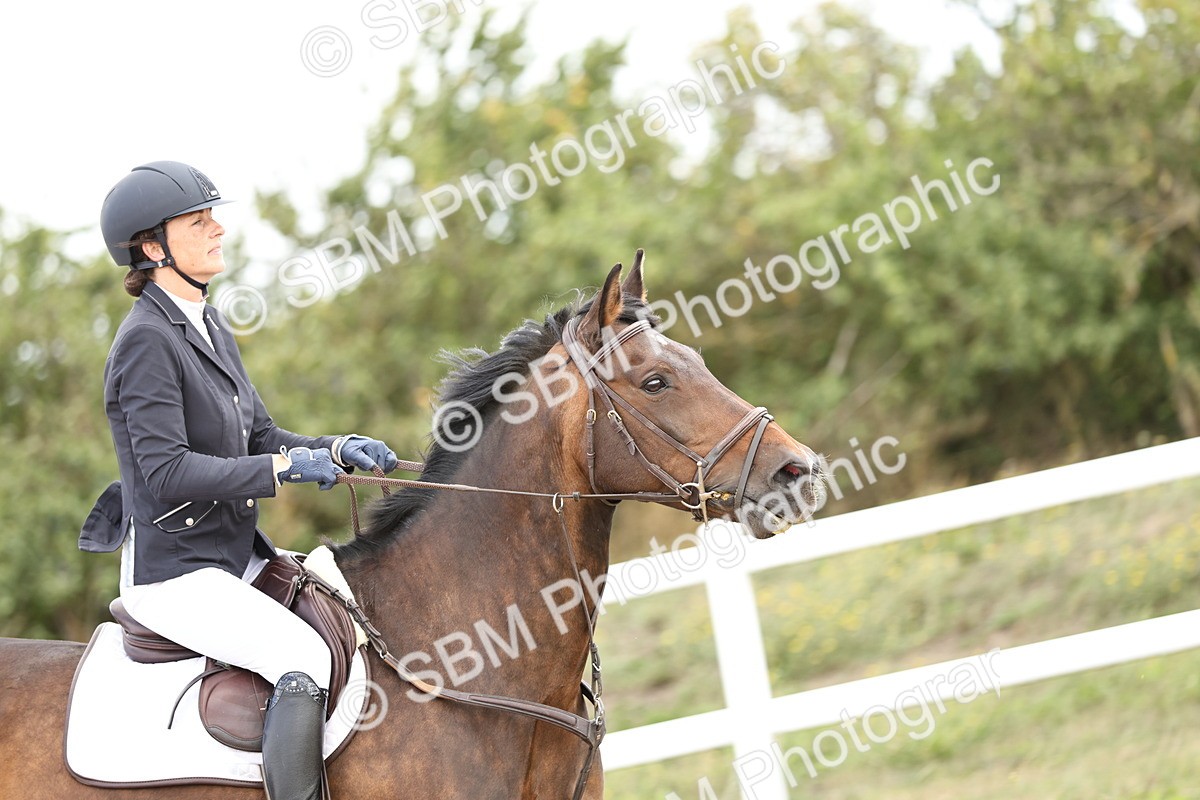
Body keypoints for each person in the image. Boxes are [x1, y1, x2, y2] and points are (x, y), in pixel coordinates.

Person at [79, 161, 396, 800]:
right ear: (153, 247)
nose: (218, 229)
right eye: (199, 222)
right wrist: (282, 469)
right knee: (300, 658)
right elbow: (166, 472)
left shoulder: (208, 322)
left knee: (351, 610)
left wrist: (331, 449)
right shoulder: (146, 342)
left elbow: (259, 438)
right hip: (177, 574)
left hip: (232, 556)